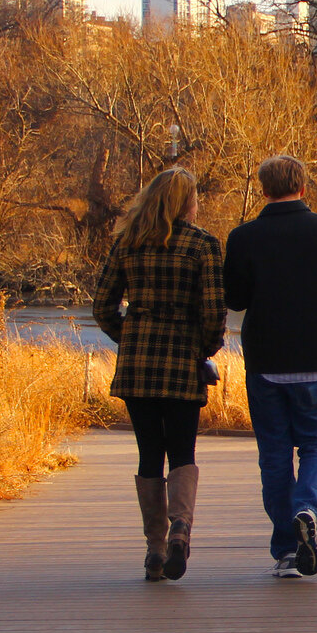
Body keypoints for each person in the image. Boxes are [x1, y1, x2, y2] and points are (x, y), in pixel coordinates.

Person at [224, 155, 317, 579]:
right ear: (303, 187)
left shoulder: (243, 237)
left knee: (275, 455)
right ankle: (307, 508)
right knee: (316, 445)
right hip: (316, 360)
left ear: (264, 190)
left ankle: (286, 551)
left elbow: (235, 299)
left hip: (266, 362)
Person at [93, 167, 227, 583]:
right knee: (183, 450)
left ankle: (154, 546)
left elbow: (102, 306)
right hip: (182, 359)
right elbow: (213, 312)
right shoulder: (202, 244)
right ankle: (181, 533)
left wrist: (129, 334)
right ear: (187, 201)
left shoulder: (127, 243)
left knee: (149, 452)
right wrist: (202, 349)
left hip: (138, 362)